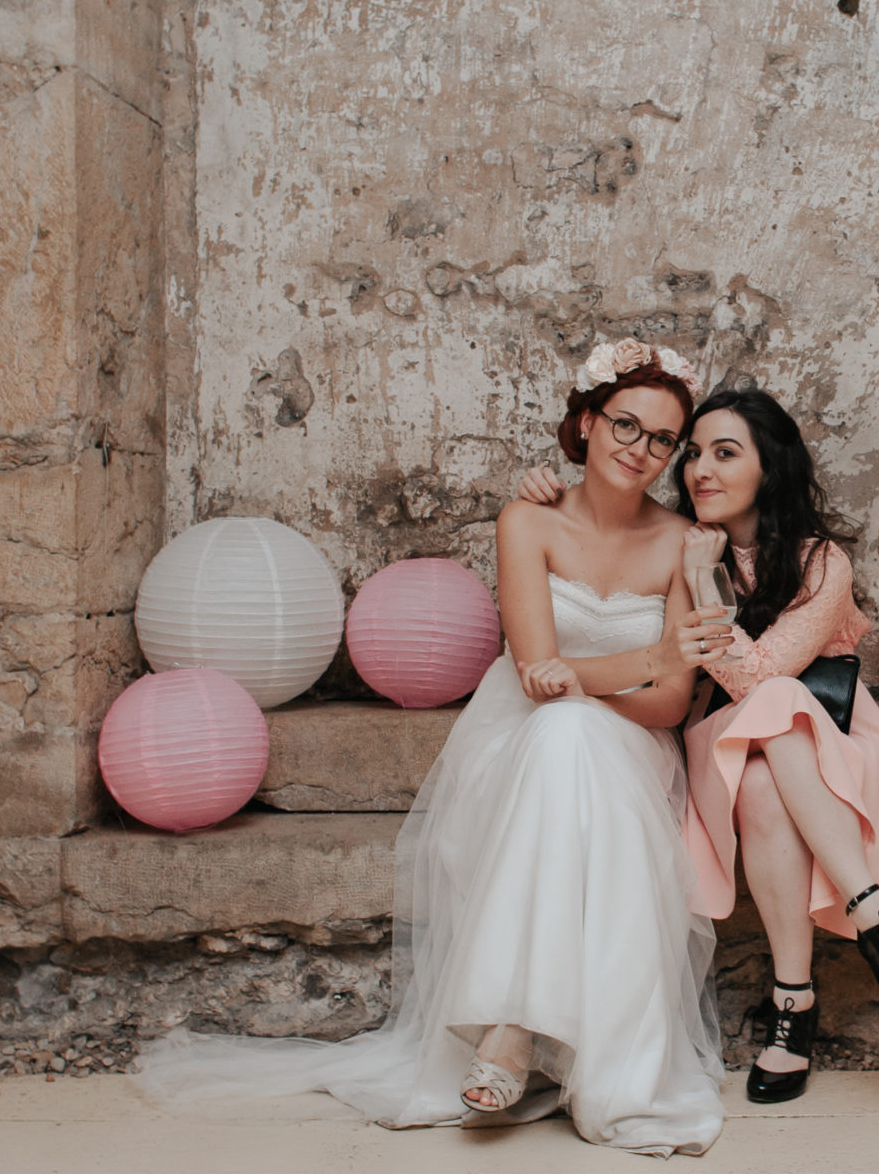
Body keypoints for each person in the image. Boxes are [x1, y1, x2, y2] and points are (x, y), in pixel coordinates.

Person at [138, 337, 731, 1156]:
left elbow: (665, 703)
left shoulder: (680, 542)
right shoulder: (527, 518)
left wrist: (613, 674)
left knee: (574, 731)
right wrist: (646, 658)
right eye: (626, 426)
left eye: (662, 439)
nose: (641, 451)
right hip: (519, 738)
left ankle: (514, 1028)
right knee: (558, 732)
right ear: (588, 422)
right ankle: (524, 1026)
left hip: (629, 748)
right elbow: (532, 674)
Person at [517, 384, 879, 1104]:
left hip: (830, 754)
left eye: (725, 454)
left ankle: (791, 1006)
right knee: (766, 719)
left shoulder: (821, 561)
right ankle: (875, 918)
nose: (700, 469)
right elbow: (740, 682)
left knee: (774, 735)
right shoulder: (679, 546)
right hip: (718, 751)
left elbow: (765, 676)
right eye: (693, 453)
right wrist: (688, 566)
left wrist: (702, 578)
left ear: (770, 469)